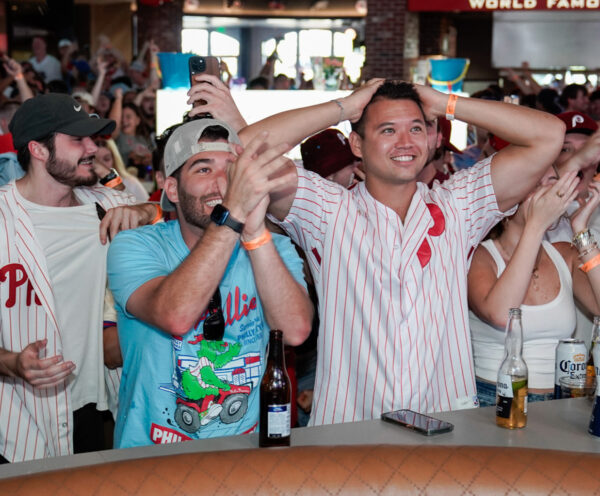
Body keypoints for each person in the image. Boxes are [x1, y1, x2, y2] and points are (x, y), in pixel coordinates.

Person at [230, 79, 565, 425]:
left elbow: (549, 135)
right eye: (388, 130)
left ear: (433, 138)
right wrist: (345, 106)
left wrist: (446, 102)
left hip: (444, 427)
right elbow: (244, 148)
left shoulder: (457, 207)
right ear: (357, 144)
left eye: (416, 129)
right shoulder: (329, 212)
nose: (405, 143)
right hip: (348, 433)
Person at [106, 117, 312, 448]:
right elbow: (176, 316)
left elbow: (295, 331)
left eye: (230, 170)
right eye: (203, 170)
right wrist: (231, 214)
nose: (220, 183)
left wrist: (256, 234)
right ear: (171, 188)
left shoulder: (272, 247)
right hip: (148, 458)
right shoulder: (135, 245)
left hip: (242, 455)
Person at [0, 93, 159, 462]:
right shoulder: (4, 218)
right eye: (78, 139)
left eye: (93, 137)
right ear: (38, 150)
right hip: (19, 417)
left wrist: (146, 209)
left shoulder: (109, 204)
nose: (92, 148)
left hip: (99, 406)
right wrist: (11, 363)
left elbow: (174, 216)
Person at [468, 171, 600, 405]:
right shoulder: (479, 255)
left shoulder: (563, 254)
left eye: (551, 182)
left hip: (561, 400)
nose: (547, 193)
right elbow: (500, 315)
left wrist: (580, 230)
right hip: (496, 399)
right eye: (534, 183)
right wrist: (535, 225)